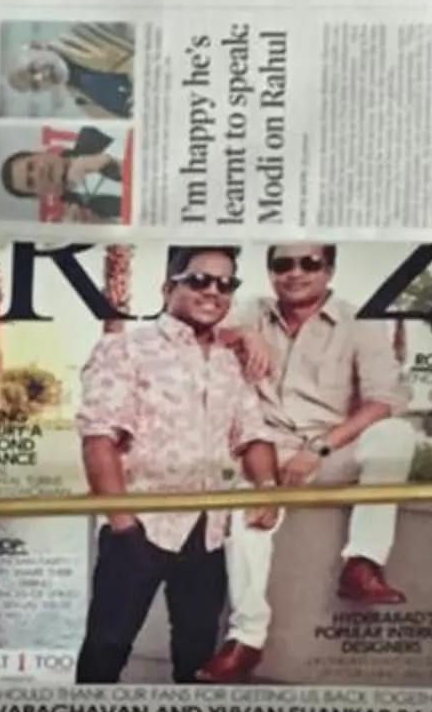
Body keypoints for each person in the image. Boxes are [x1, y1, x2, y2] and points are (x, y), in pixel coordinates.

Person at [203, 242, 419, 682]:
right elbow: (198, 327)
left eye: (309, 263)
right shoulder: (251, 311)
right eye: (282, 264)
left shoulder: (358, 322)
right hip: (264, 452)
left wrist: (320, 446)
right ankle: (246, 640)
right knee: (246, 514)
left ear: (330, 270)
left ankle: (362, 564)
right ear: (270, 272)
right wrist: (245, 334)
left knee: (396, 435)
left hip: (329, 452)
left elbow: (386, 398)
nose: (295, 273)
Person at [73, 249, 281, 687]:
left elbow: (254, 435)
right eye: (199, 280)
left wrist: (267, 487)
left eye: (225, 284)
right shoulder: (127, 348)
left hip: (206, 535)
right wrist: (124, 525)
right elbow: (98, 440)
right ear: (169, 288)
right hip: (141, 530)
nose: (213, 291)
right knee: (107, 649)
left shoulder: (230, 360)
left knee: (198, 657)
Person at [0, 125, 129, 222]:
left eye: (31, 166)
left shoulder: (92, 135)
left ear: (41, 153)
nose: (38, 173)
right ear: (39, 195)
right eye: (31, 182)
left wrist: (108, 158)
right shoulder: (83, 214)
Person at [4, 25, 134, 119]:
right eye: (35, 85)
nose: (40, 78)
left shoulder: (89, 29)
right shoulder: (84, 103)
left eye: (33, 68)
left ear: (37, 46)